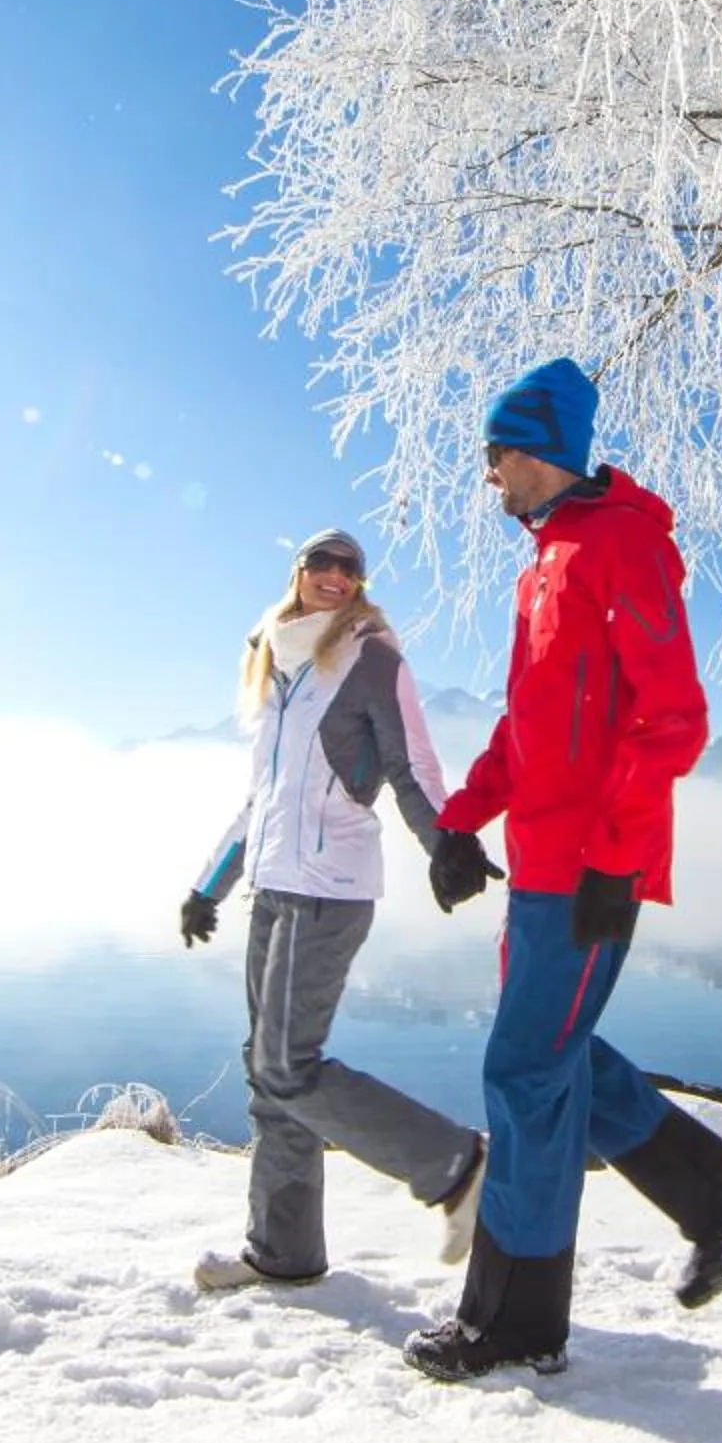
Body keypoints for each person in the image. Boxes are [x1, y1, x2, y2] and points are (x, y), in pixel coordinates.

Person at [405, 357, 722, 1382]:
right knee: (553, 1054)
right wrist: (460, 819)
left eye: (496, 455)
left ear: (537, 450)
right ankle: (720, 1194)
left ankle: (516, 1321)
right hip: (541, 860)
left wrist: (615, 860)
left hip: (586, 870)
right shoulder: (547, 559)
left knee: (523, 1072)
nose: (488, 476)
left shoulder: (624, 546)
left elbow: (674, 718)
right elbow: (529, 723)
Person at [180, 529, 490, 1292]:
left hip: (332, 888)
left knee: (289, 1065)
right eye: (323, 562)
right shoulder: (279, 666)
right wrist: (208, 886)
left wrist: (446, 842)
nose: (336, 576)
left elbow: (411, 762)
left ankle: (456, 1164)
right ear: (299, 573)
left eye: (350, 568)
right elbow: (264, 798)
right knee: (269, 1076)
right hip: (276, 886)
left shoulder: (370, 656)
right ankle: (282, 1252)